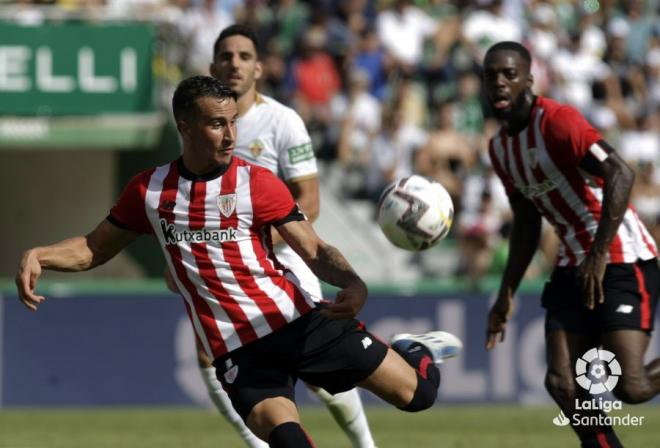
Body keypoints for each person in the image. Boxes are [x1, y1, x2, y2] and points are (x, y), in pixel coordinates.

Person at [16, 75, 462, 448]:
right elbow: (95, 247)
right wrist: (41, 255)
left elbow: (313, 248)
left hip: (300, 323)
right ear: (185, 126)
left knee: (418, 396)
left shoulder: (256, 182)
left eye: (232, 123)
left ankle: (414, 350)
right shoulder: (149, 191)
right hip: (240, 351)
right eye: (216, 124)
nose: (230, 135)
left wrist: (353, 282)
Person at [185, 23, 376, 448]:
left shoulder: (281, 121)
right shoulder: (202, 127)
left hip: (282, 260)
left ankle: (366, 444)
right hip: (223, 266)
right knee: (211, 355)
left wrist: (260, 237)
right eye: (226, 55)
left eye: (244, 56)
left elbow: (310, 199)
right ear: (213, 65)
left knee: (318, 370)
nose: (234, 63)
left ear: (260, 69)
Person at [482, 41, 659, 448]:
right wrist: (505, 293)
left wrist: (597, 255)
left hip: (618, 253)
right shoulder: (500, 148)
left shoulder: (559, 121)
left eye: (509, 73)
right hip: (571, 261)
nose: (499, 82)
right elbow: (527, 222)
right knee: (562, 382)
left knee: (630, 387)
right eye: (491, 75)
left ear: (529, 78)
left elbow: (621, 174)